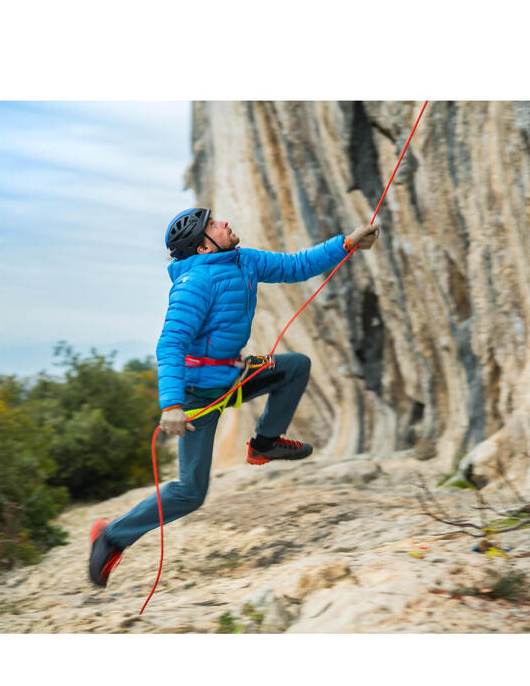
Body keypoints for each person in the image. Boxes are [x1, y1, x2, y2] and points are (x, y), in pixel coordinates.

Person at [88, 208, 379, 586]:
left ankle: (264, 444)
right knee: (190, 492)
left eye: (215, 220)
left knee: (294, 367)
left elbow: (296, 266)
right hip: (197, 396)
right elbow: (171, 343)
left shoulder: (245, 261)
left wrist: (347, 244)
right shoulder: (194, 284)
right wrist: (172, 405)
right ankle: (110, 536)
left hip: (231, 375)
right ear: (204, 247)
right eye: (212, 225)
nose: (222, 223)